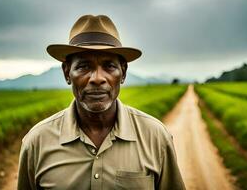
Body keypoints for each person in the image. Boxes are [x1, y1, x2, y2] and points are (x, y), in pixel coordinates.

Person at [17, 14, 185, 190]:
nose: (97, 79)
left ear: (123, 73)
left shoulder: (156, 137)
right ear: (67, 73)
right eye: (84, 66)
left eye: (109, 66)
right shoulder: (37, 142)